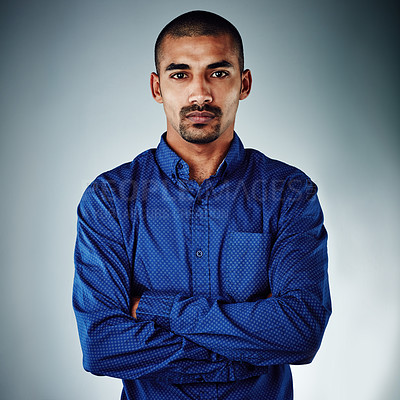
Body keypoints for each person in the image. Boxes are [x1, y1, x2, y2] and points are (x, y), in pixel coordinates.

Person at [73, 10, 331, 400]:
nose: (200, 94)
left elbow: (300, 331)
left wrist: (159, 309)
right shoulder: (110, 198)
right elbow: (101, 344)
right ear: (157, 88)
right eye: (180, 74)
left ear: (243, 83)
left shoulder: (288, 192)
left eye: (218, 72)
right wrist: (239, 349)